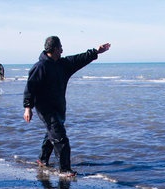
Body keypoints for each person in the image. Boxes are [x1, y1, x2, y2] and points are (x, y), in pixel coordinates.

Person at [23, 36, 111, 176]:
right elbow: (30, 88)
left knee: (52, 133)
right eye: (61, 47)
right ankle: (64, 170)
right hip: (45, 109)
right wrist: (28, 107)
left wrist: (96, 52)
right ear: (55, 49)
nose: (62, 50)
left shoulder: (62, 65)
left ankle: (42, 159)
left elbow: (79, 59)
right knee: (61, 139)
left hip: (59, 107)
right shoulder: (40, 67)